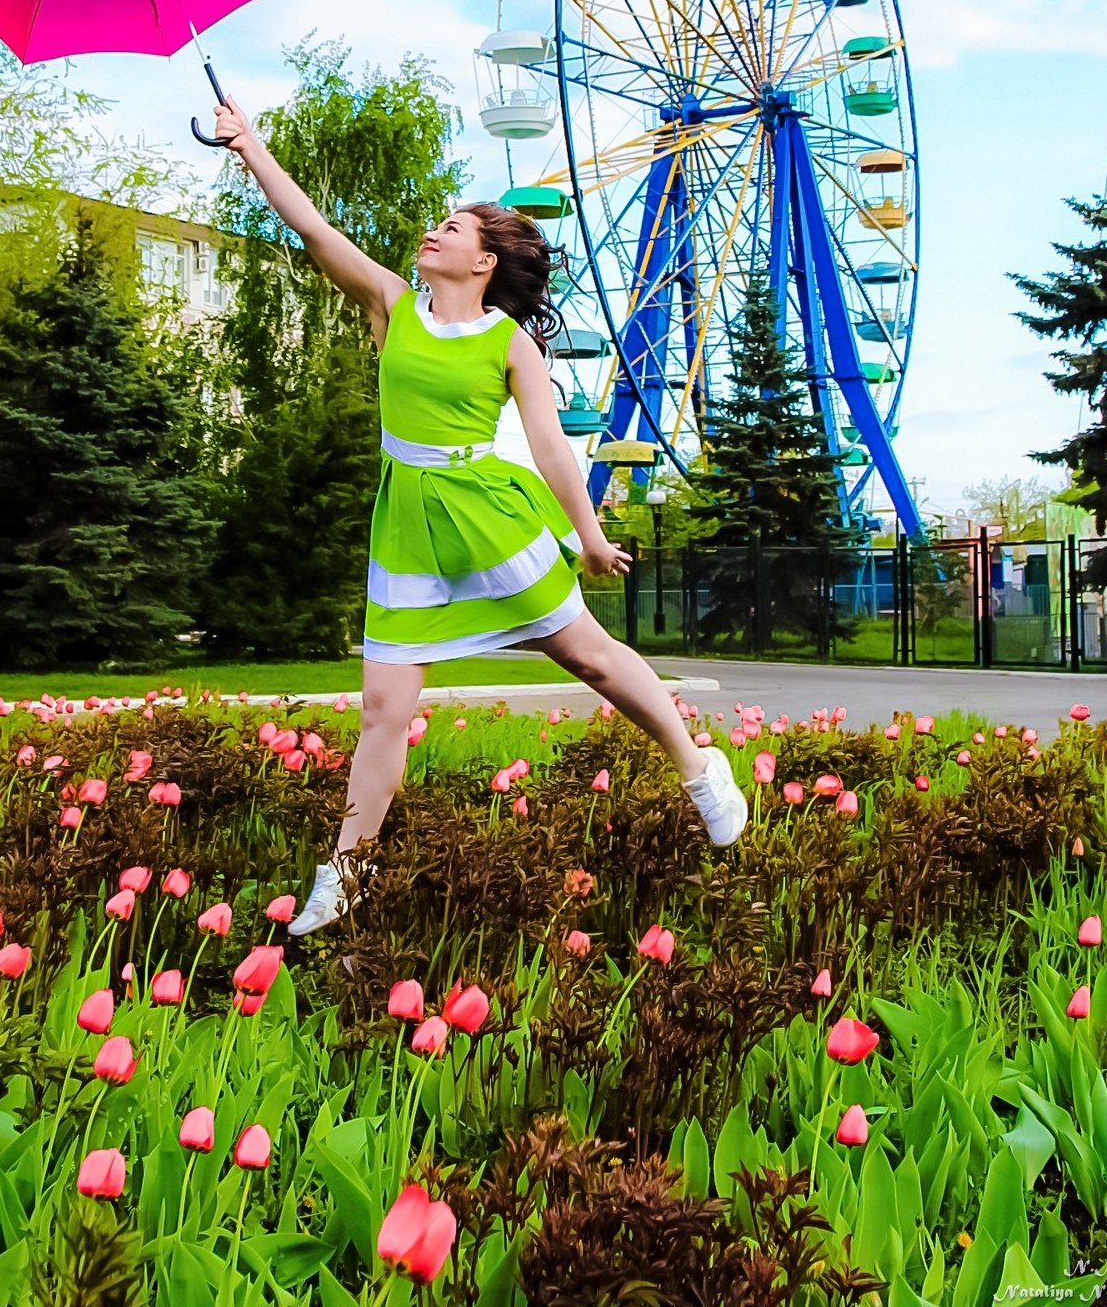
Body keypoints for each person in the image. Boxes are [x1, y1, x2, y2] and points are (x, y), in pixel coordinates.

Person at [213, 96, 748, 937]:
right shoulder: (391, 306)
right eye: (441, 224)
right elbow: (315, 230)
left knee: (595, 662)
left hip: (488, 517)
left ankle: (698, 765)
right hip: (408, 528)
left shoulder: (508, 343)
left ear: (486, 262)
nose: (436, 233)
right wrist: (251, 147)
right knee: (383, 711)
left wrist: (593, 533)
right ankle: (347, 873)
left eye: (455, 229)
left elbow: (548, 445)